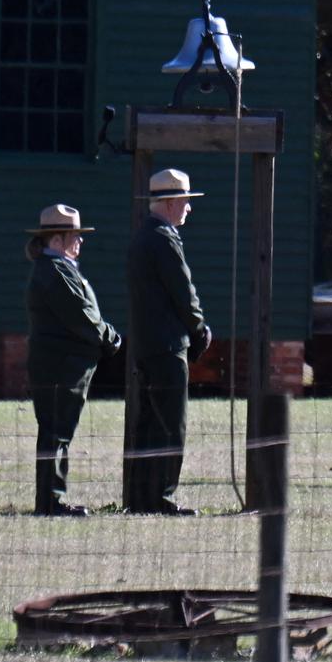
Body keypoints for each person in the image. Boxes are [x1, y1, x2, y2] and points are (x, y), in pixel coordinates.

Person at [25, 204, 121, 517]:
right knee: (56, 431)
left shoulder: (57, 269)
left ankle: (51, 499)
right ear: (56, 240)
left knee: (58, 431)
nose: (80, 242)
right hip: (61, 365)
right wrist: (110, 338)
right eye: (74, 236)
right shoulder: (54, 272)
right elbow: (81, 316)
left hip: (65, 363)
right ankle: (51, 502)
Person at [126, 168, 211, 514]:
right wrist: (200, 329)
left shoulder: (141, 237)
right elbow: (183, 292)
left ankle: (141, 498)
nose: (189, 208)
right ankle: (162, 497)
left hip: (146, 345)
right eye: (186, 202)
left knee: (148, 424)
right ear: (173, 202)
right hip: (167, 345)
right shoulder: (164, 238)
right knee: (170, 425)